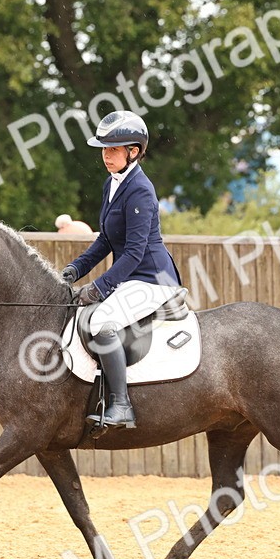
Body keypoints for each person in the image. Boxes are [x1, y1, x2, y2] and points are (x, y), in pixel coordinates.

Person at [61, 110, 182, 428]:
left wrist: (99, 287)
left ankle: (121, 406)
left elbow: (134, 252)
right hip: (131, 277)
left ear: (134, 151)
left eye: (113, 149)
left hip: (153, 279)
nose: (106, 155)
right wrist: (76, 269)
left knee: (102, 322)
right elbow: (105, 240)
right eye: (104, 149)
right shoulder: (112, 184)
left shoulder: (140, 190)